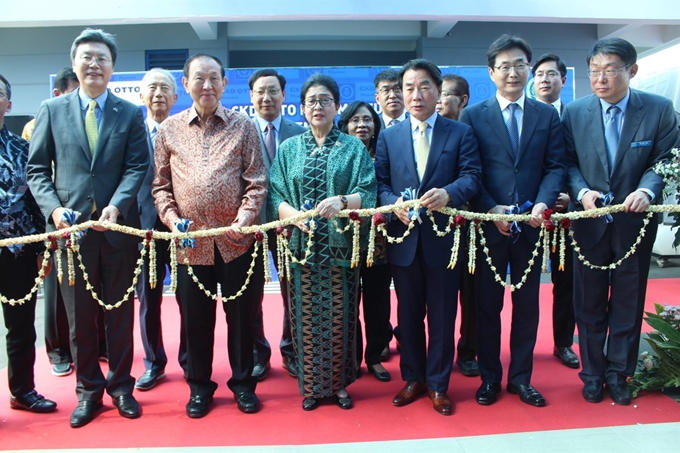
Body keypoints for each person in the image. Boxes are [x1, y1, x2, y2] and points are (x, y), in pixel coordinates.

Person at [27, 28, 149, 428]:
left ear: (113, 67)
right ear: (75, 63)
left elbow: (136, 167)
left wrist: (117, 205)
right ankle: (88, 392)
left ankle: (121, 389)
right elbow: (37, 170)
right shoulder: (52, 109)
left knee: (119, 315)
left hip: (118, 231)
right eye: (87, 57)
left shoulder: (130, 113)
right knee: (80, 320)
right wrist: (55, 211)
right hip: (72, 234)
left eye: (102, 58)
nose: (94, 64)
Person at [562, 37, 679, 406]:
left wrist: (646, 191)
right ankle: (593, 374)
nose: (600, 78)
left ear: (632, 70)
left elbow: (665, 159)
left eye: (610, 70)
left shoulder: (658, 109)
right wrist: (582, 193)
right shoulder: (575, 112)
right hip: (590, 223)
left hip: (635, 224)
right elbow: (566, 163)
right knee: (589, 301)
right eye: (594, 71)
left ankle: (619, 373)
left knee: (628, 301)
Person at [153, 53, 266, 418]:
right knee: (195, 322)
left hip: (237, 243)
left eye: (214, 78)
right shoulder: (169, 130)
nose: (207, 85)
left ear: (224, 84)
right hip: (190, 246)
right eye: (199, 79)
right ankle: (199, 387)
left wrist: (244, 218)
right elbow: (160, 187)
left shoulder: (243, 126)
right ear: (184, 84)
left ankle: (243, 386)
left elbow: (256, 182)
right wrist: (172, 220)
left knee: (242, 319)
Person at [459, 35, 565, 408]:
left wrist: (542, 204)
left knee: (528, 305)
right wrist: (491, 209)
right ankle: (490, 378)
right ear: (491, 73)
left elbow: (555, 167)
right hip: (491, 226)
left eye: (520, 64)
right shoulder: (474, 115)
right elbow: (471, 171)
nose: (513, 72)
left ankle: (521, 378)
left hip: (532, 227)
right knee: (487, 305)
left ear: (529, 70)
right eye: (504, 66)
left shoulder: (546, 114)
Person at [375, 59, 482, 416]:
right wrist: (394, 205)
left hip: (444, 241)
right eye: (408, 88)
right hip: (404, 241)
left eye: (423, 87)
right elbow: (381, 185)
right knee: (408, 316)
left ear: (438, 91)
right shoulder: (389, 136)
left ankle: (438, 384)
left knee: (441, 315)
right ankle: (413, 378)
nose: (415, 95)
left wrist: (449, 193)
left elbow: (472, 176)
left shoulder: (459, 132)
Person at [268, 73, 377, 411]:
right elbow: (276, 193)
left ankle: (341, 385)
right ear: (301, 108)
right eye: (312, 101)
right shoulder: (289, 149)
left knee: (340, 318)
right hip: (301, 250)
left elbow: (369, 191)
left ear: (336, 107)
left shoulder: (353, 147)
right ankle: (312, 386)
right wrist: (293, 216)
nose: (318, 106)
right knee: (304, 317)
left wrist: (343, 201)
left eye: (325, 100)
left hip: (340, 249)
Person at [0, 73, 57, 415]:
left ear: (8, 102)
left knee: (21, 328)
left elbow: (37, 202)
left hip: (19, 251)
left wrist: (41, 250)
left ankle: (23, 391)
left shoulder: (23, 148)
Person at [21, 67, 84, 378]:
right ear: (59, 93)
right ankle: (57, 349)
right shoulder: (40, 122)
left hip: (87, 218)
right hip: (54, 217)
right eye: (74, 91)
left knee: (87, 287)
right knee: (56, 289)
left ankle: (90, 346)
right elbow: (38, 174)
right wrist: (52, 212)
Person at [248, 68, 306, 381]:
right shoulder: (240, 131)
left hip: (291, 226)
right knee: (252, 292)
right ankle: (259, 353)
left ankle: (292, 350)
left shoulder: (299, 133)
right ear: (251, 96)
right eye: (260, 91)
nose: (267, 98)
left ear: (284, 96)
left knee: (292, 290)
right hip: (253, 226)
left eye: (273, 91)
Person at [134, 67, 187, 391]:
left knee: (188, 298)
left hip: (179, 226)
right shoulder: (131, 131)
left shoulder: (185, 131)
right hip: (142, 229)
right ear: (141, 96)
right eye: (152, 88)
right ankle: (154, 363)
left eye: (164, 88)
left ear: (175, 96)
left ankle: (189, 360)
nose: (158, 94)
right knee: (147, 299)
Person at [531, 53, 579, 369]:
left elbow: (577, 162)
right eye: (539, 74)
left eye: (551, 74)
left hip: (567, 216)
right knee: (523, 283)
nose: (545, 80)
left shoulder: (576, 117)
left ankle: (563, 343)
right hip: (529, 213)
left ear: (564, 79)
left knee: (567, 282)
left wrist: (570, 198)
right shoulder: (526, 116)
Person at [338, 101, 392, 382]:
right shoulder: (338, 154)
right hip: (343, 242)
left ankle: (375, 356)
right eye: (355, 120)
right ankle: (350, 360)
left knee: (377, 302)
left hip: (379, 243)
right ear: (345, 125)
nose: (362, 125)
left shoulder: (385, 153)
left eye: (368, 120)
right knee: (346, 303)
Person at [435, 74, 479, 378]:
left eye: (444, 95)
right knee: (440, 300)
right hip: (438, 230)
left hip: (475, 227)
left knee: (472, 295)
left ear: (462, 100)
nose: (437, 101)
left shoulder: (471, 131)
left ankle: (467, 351)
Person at [22, 68, 79, 141]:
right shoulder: (34, 127)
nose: (80, 99)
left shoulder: (91, 123)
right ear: (57, 94)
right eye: (74, 94)